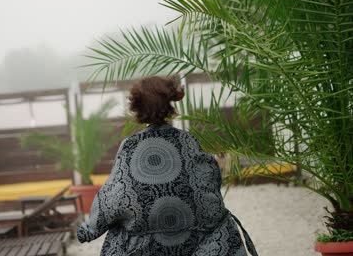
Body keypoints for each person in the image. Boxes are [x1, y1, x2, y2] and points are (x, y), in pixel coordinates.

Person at [77, 76, 258, 256]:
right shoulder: (188, 140)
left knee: (119, 232)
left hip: (142, 247)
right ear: (170, 103)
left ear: (136, 107)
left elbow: (113, 196)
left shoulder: (130, 146)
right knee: (219, 225)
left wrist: (88, 230)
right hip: (197, 243)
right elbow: (210, 182)